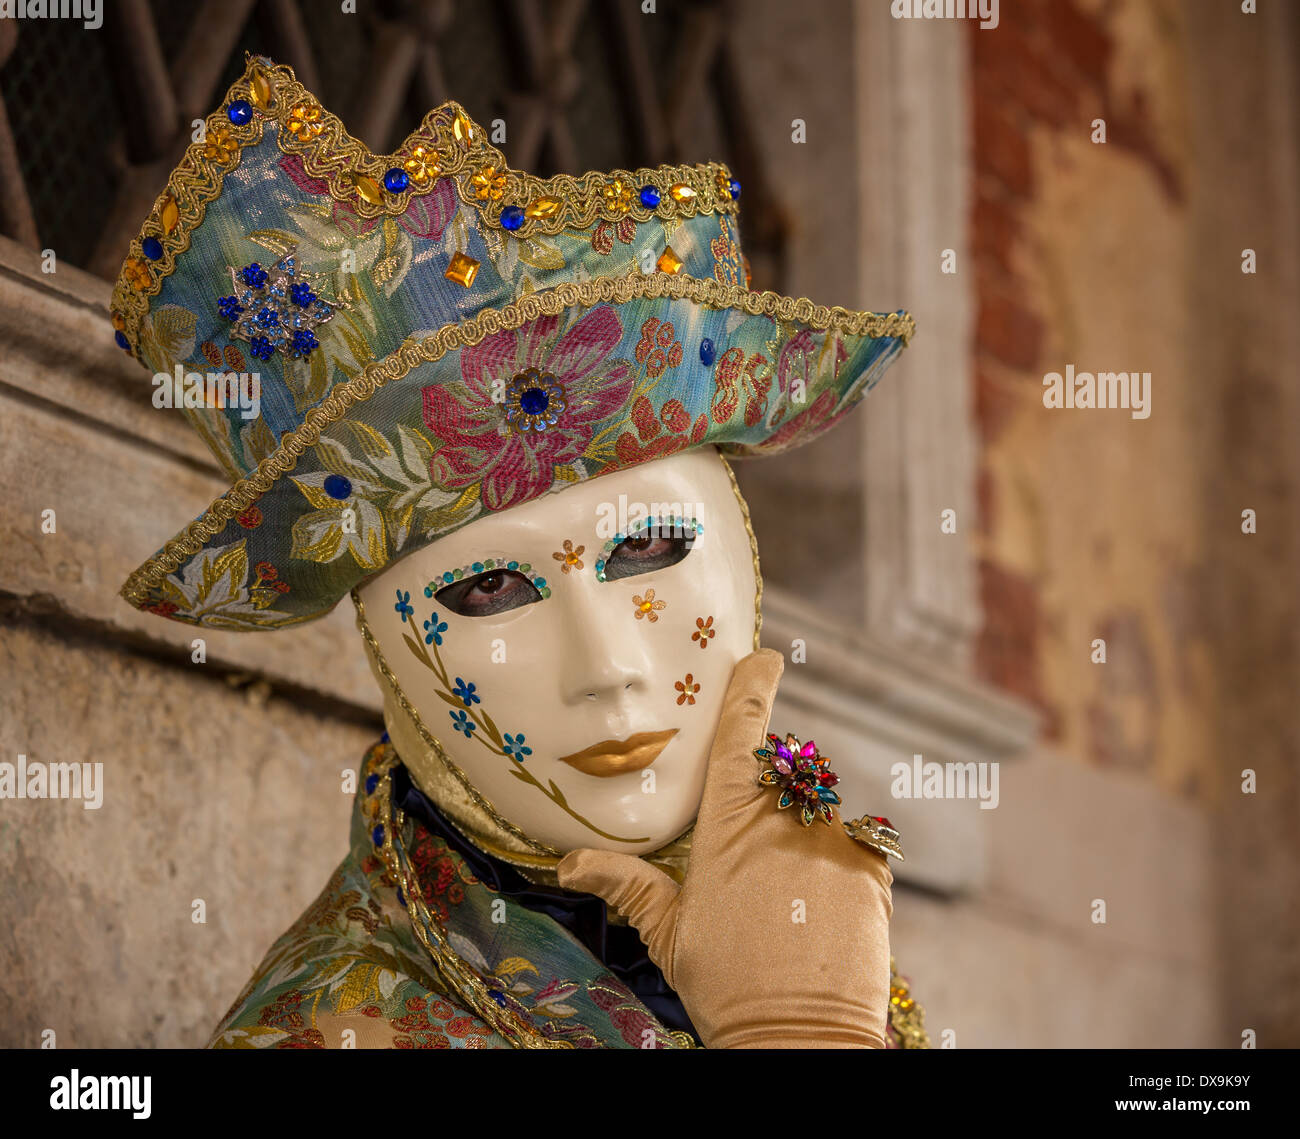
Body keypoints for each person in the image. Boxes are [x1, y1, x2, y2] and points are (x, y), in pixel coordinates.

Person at [113, 55, 929, 1049]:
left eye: (649, 547)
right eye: (490, 587)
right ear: (384, 646)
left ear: (743, 561)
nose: (608, 667)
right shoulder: (340, 1029)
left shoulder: (797, 914)